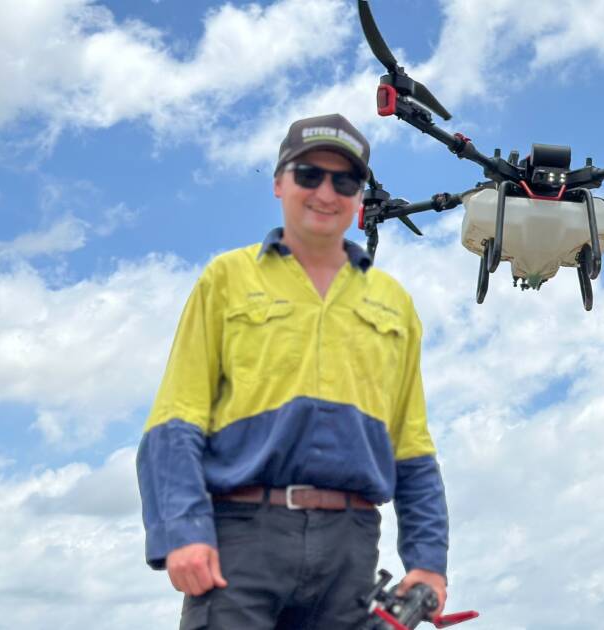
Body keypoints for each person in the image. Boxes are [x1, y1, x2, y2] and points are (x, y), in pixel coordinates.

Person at [136, 113, 450, 629]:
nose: (326, 191)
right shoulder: (226, 279)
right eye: (310, 175)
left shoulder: (395, 303)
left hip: (352, 549)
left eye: (345, 181)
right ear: (280, 182)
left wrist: (428, 563)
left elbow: (412, 446)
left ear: (358, 200)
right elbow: (176, 418)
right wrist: (183, 531)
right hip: (240, 541)